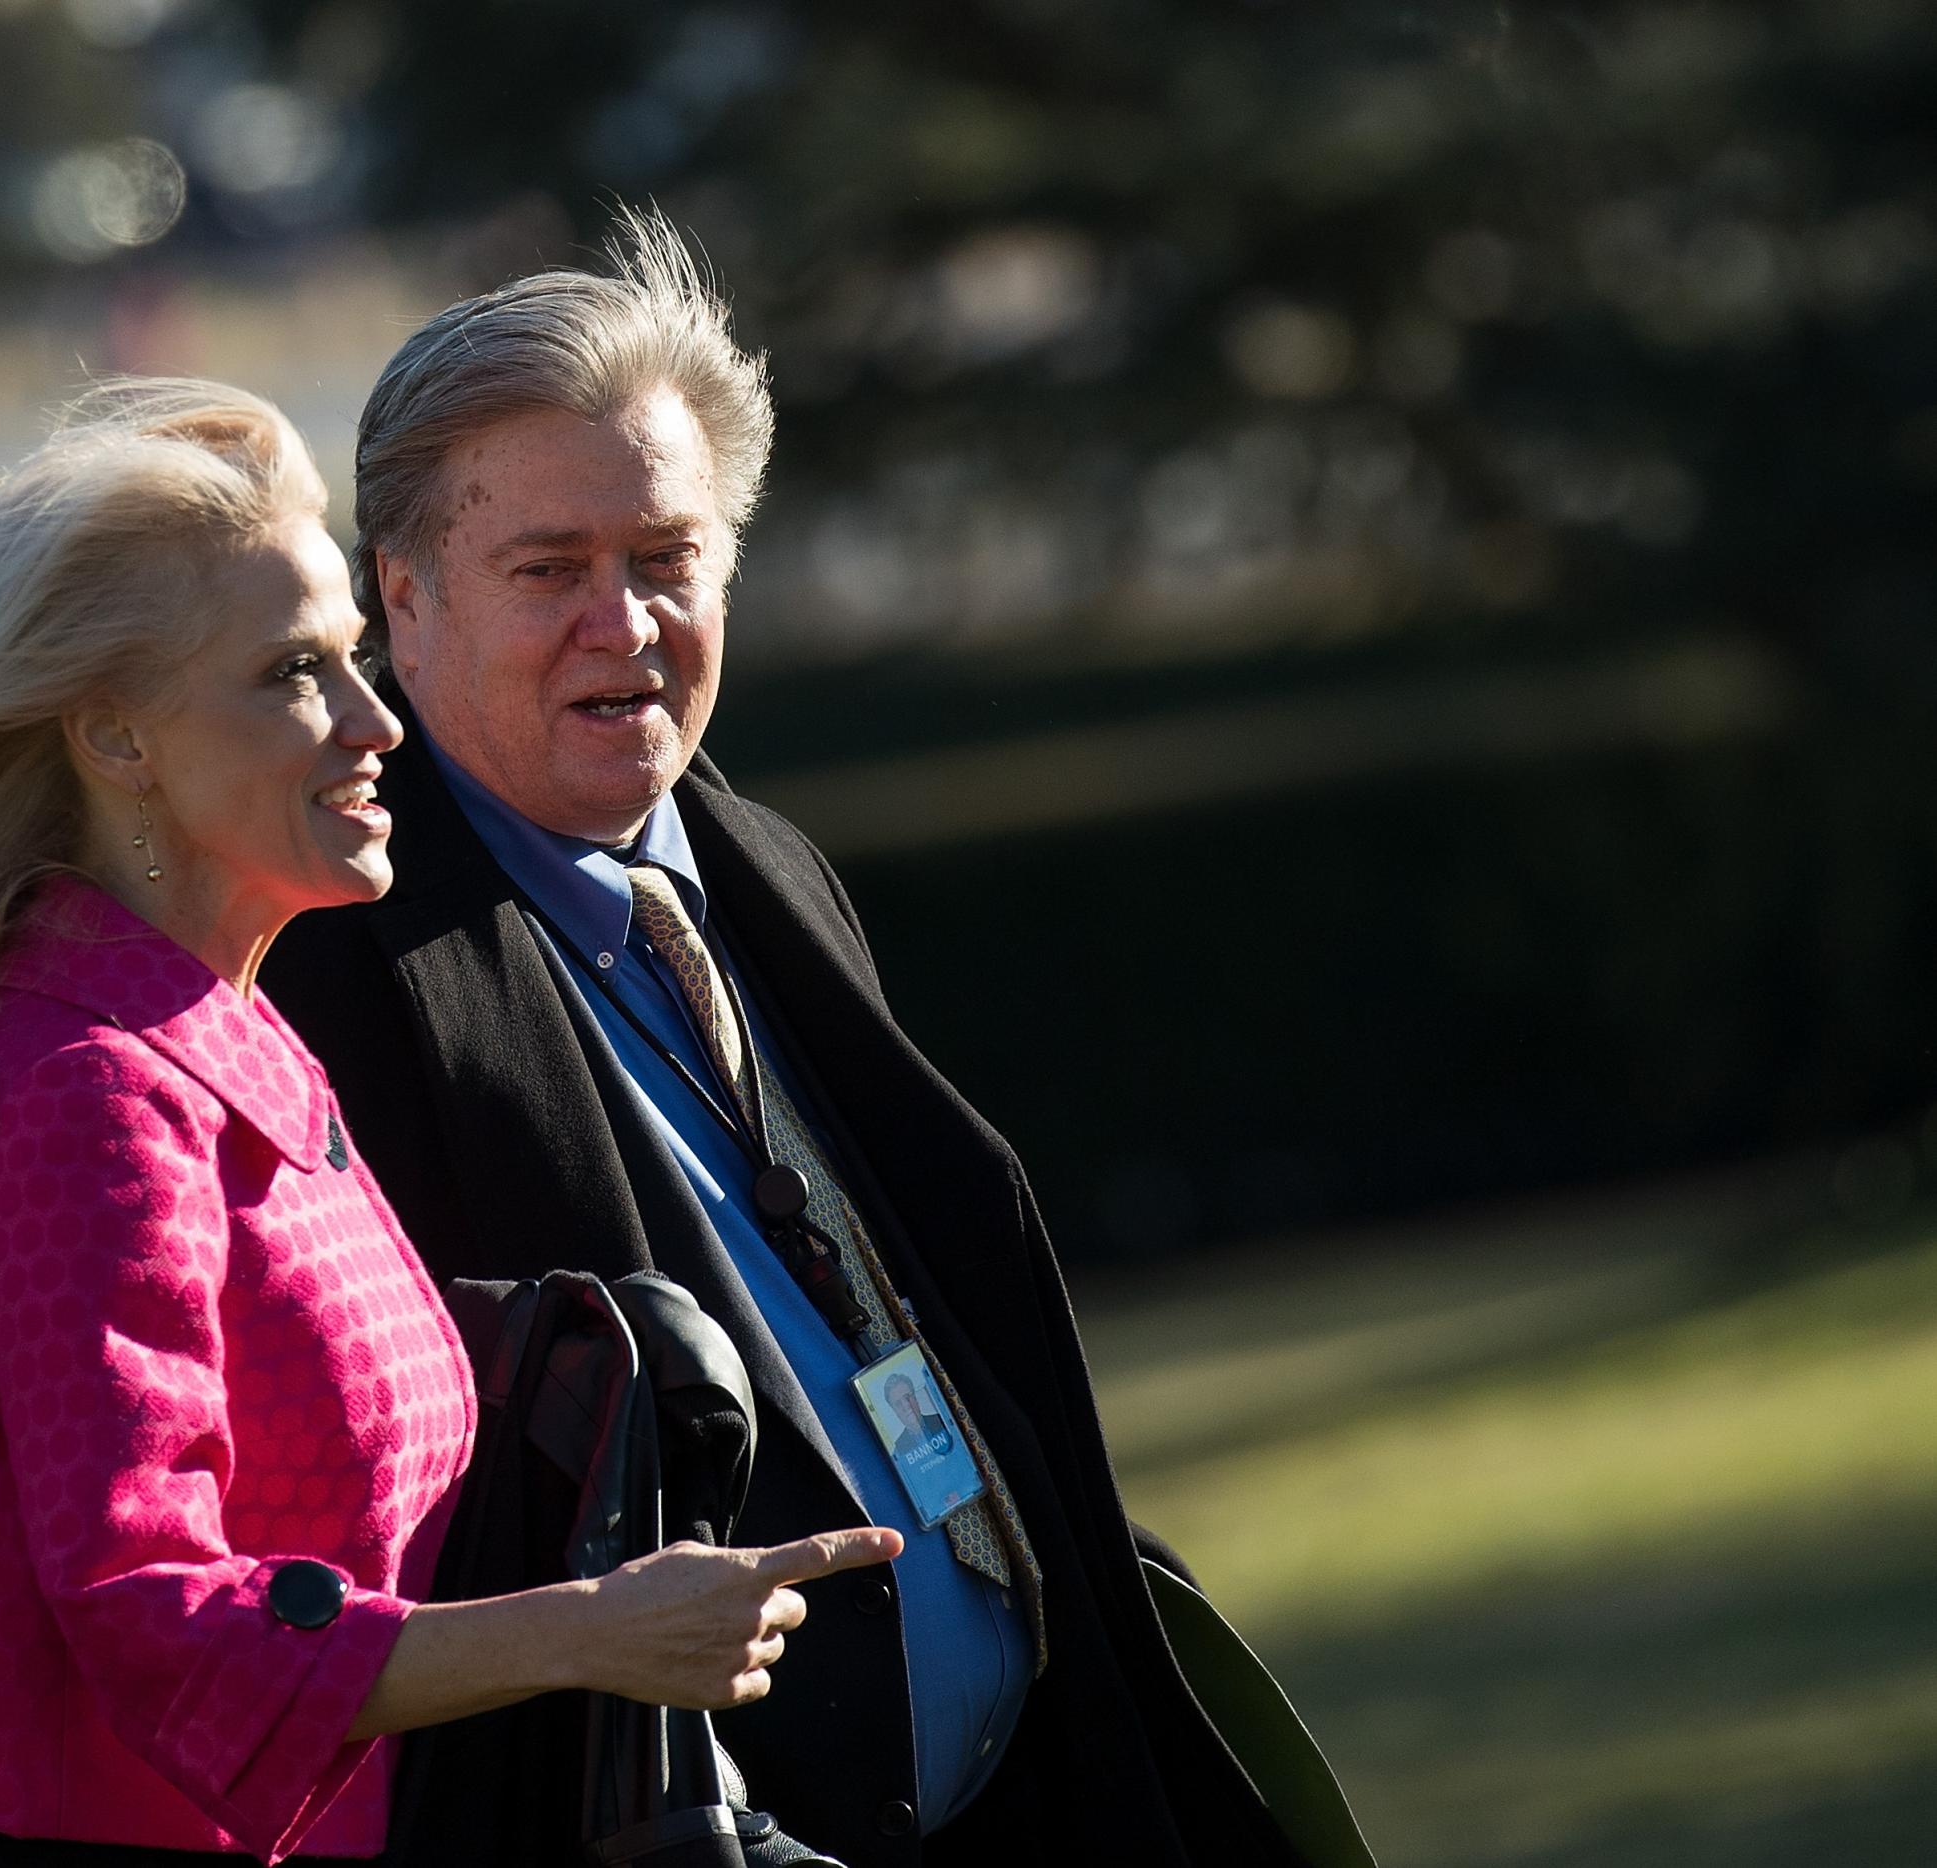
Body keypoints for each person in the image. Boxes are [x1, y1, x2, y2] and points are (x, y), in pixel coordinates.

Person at [0, 380, 900, 1865]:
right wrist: (594, 1634)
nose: (376, 722)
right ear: (117, 742)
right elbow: (157, 1616)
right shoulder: (84, 1093)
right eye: (295, 674)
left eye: (356, 661)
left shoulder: (221, 1027)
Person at [262, 215, 1312, 1865]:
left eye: (667, 558)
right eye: (549, 570)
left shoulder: (765, 873)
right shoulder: (326, 977)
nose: (624, 621)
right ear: (403, 601)